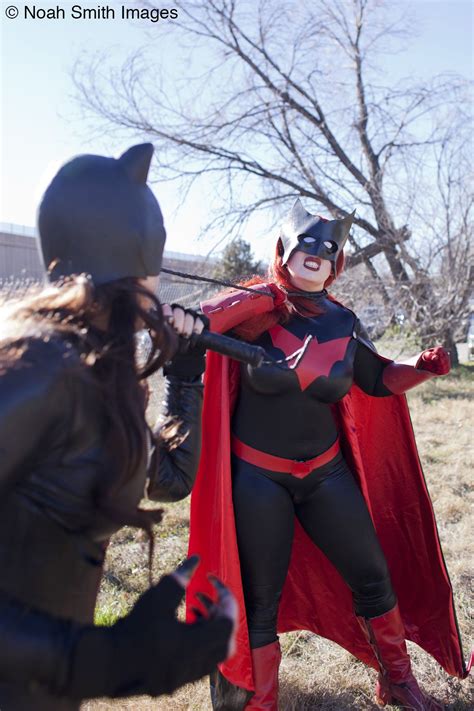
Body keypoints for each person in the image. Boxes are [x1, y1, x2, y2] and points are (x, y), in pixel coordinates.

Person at [187, 199, 469, 710]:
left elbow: (378, 378)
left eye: (328, 248)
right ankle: (258, 702)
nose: (316, 253)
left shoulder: (341, 321)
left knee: (373, 574)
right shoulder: (253, 308)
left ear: (337, 262)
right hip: (258, 478)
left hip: (324, 474)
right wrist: (181, 320)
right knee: (260, 600)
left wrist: (422, 366)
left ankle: (399, 681)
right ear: (285, 250)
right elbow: (195, 323)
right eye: (307, 244)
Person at [0, 143, 237, 711]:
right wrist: (92, 658)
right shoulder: (40, 366)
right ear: (137, 255)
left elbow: (172, 479)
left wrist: (185, 374)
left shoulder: (97, 373)